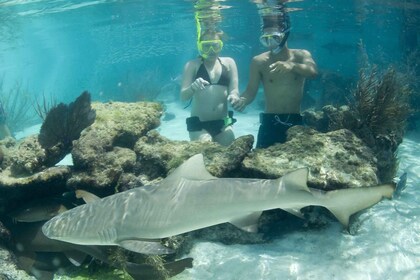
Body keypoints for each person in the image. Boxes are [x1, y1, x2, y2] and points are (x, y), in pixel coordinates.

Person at [231, 13, 318, 148]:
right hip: (269, 122)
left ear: (285, 35)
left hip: (294, 121)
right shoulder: (258, 61)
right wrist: (242, 101)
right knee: (260, 165)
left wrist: (292, 66)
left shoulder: (301, 55)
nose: (271, 44)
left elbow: (312, 72)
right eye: (266, 39)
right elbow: (250, 91)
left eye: (275, 38)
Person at [180, 31, 240, 146]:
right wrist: (193, 87)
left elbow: (234, 89)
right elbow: (183, 96)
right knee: (206, 151)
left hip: (224, 124)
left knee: (228, 157)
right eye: (206, 46)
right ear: (199, 46)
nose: (211, 50)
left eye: (215, 45)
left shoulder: (229, 63)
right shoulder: (192, 65)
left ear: (221, 45)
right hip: (199, 126)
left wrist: (234, 96)